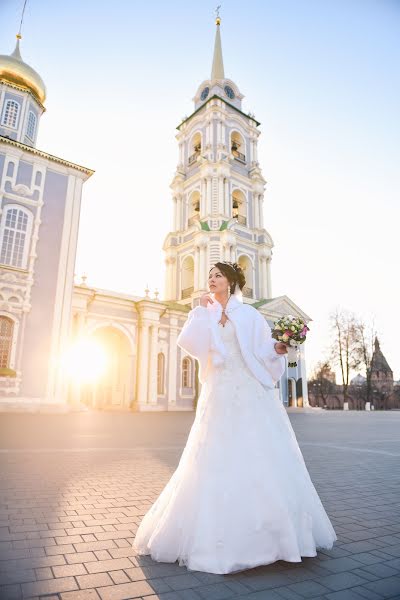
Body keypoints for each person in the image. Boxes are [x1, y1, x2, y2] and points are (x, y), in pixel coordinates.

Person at [132, 261, 337, 574]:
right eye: (209, 276)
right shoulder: (206, 311)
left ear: (231, 281)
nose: (211, 280)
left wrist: (280, 347)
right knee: (213, 453)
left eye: (217, 276)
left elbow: (264, 345)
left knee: (257, 450)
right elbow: (189, 343)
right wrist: (199, 311)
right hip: (219, 389)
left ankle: (272, 536)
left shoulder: (249, 313)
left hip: (248, 387)